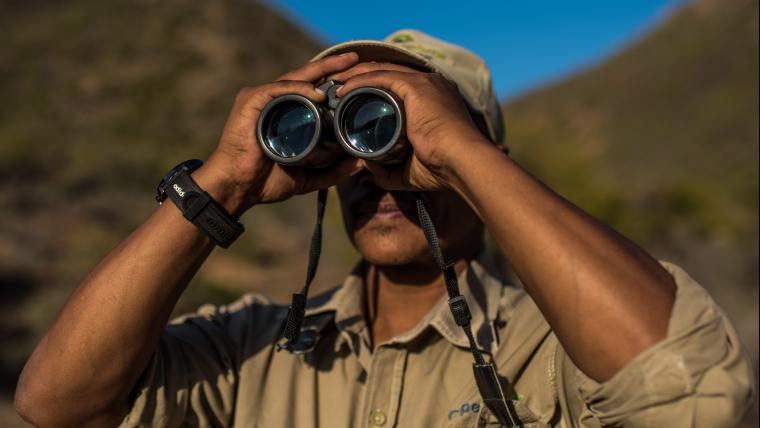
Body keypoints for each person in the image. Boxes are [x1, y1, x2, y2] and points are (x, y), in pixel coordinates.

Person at [14, 30, 754, 427]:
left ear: (480, 156)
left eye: (397, 133)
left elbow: (693, 397)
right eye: (348, 138)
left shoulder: (556, 349)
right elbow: (58, 409)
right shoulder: (251, 348)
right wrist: (227, 180)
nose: (376, 168)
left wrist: (455, 151)